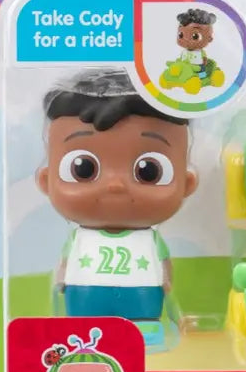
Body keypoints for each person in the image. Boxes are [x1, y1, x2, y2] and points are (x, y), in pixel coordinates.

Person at [36, 68, 197, 323]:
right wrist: (62, 278)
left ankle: (143, 331)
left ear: (187, 184)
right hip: (85, 294)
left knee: (143, 323)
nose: (115, 184)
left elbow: (164, 267)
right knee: (85, 323)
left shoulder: (150, 240)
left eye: (149, 171)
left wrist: (166, 281)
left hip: (142, 293)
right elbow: (65, 265)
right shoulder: (80, 239)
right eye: (83, 169)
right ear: (46, 180)